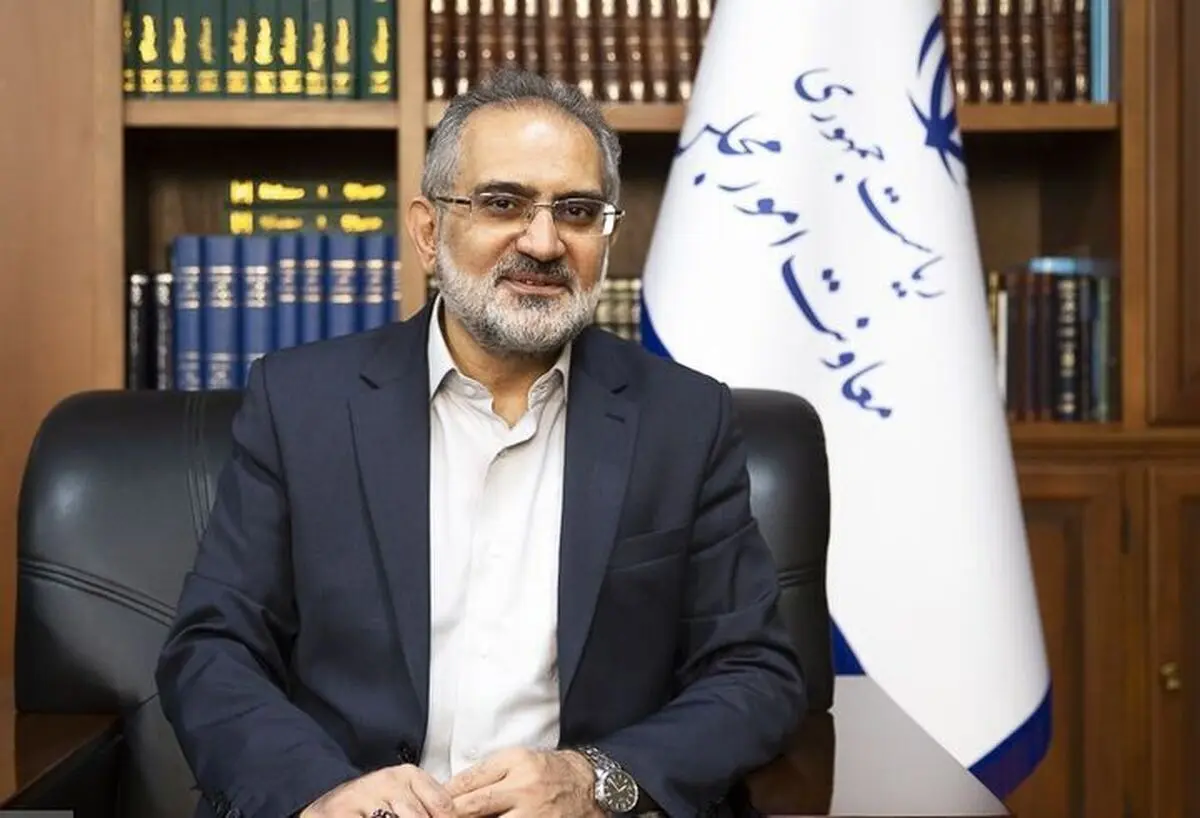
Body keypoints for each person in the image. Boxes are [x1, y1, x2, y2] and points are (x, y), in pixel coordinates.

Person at [155, 68, 806, 818]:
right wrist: (319, 792)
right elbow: (213, 648)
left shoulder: (683, 420)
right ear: (428, 231)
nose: (544, 241)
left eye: (577, 211)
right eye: (503, 203)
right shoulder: (301, 404)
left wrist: (595, 781)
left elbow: (755, 672)